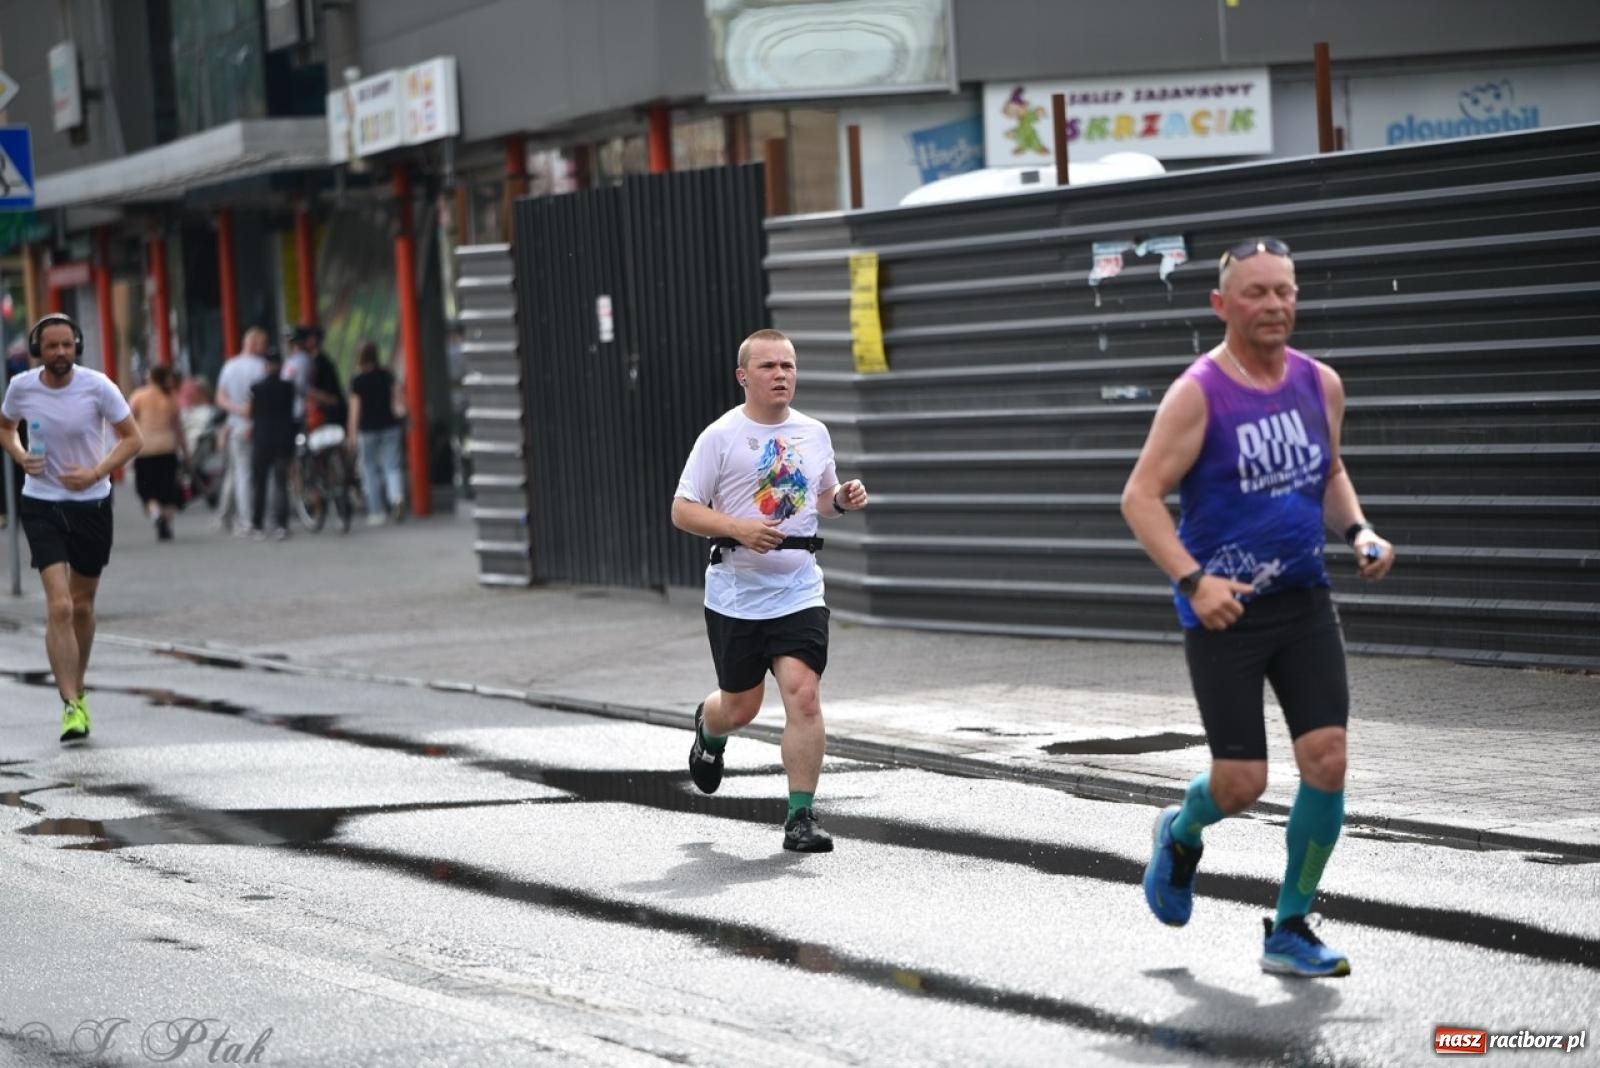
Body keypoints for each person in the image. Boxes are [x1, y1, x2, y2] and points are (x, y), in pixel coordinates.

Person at [1120, 237, 1395, 978]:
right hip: (1225, 611)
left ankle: (1292, 926)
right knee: (1241, 784)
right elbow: (1139, 497)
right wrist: (1192, 581)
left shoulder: (1320, 384)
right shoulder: (1200, 392)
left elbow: (1329, 470)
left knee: (1327, 760)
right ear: (1221, 305)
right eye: (1256, 293)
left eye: (1285, 290)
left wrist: (1359, 530)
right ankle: (1180, 833)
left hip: (1305, 600)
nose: (1275, 305)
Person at [671, 328, 869, 853]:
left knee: (803, 695)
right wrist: (737, 528)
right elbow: (683, 509)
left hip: (799, 587)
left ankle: (800, 817)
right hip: (737, 591)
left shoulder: (815, 433)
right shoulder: (720, 436)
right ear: (744, 376)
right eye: (769, 367)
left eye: (788, 366)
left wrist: (842, 499)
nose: (781, 375)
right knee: (741, 708)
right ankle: (709, 731)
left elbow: (820, 499)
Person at [0, 313, 142, 741]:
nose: (60, 353)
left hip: (91, 504)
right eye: (52, 346)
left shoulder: (98, 386)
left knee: (81, 606)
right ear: (37, 349)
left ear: (76, 346)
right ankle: (70, 704)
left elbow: (132, 438)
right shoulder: (21, 387)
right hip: (41, 503)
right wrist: (21, 456)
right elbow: (6, 428)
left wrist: (96, 471)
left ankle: (78, 687)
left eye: (67, 345)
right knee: (59, 605)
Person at [215, 327, 269, 534]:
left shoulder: (230, 366)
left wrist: (237, 410)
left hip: (236, 425)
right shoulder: (262, 367)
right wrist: (250, 411)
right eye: (263, 344)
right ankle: (260, 516)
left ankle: (243, 518)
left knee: (240, 473)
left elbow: (220, 398)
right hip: (258, 425)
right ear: (256, 344)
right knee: (260, 473)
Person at [346, 341, 407, 524]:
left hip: (368, 429)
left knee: (370, 469)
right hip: (390, 425)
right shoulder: (387, 375)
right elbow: (398, 401)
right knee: (392, 466)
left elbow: (355, 410)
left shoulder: (357, 381)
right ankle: (396, 497)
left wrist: (352, 434)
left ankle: (376, 511)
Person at [127, 365, 190, 541]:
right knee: (168, 491)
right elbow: (178, 428)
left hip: (145, 450)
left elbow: (128, 423)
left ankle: (156, 514)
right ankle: (167, 522)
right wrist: (186, 452)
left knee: (147, 491)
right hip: (168, 449)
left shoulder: (139, 396)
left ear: (151, 378)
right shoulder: (171, 398)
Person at [249, 348, 297, 541]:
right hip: (283, 439)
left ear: (266, 366)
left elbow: (251, 413)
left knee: (259, 484)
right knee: (281, 483)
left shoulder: (256, 388)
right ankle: (281, 525)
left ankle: (257, 525)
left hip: (261, 439)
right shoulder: (288, 387)